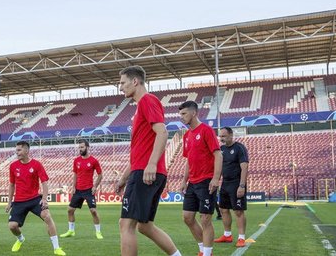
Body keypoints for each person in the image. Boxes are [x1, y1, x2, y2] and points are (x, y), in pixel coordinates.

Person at [115, 66, 181, 256]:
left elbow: (163, 132)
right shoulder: (140, 108)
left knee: (126, 224)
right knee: (144, 226)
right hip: (143, 170)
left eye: (122, 83)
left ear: (135, 81)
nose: (120, 88)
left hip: (146, 171)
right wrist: (123, 178)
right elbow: (138, 154)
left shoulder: (147, 100)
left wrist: (151, 163)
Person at [178, 101, 223, 256]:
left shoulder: (206, 130)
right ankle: (203, 249)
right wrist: (184, 181)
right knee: (187, 217)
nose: (181, 117)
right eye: (180, 114)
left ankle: (207, 253)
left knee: (205, 219)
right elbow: (188, 160)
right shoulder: (186, 136)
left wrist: (216, 178)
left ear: (194, 113)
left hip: (206, 180)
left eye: (184, 114)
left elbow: (218, 154)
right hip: (192, 182)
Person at [6, 141, 66, 256]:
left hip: (34, 199)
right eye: (16, 150)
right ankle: (20, 239)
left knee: (47, 216)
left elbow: (44, 182)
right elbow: (12, 185)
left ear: (26, 150)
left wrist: (44, 199)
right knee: (12, 226)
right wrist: (9, 202)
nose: (16, 152)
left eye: (19, 150)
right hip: (19, 201)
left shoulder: (36, 164)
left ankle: (56, 248)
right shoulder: (13, 166)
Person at [59, 139, 104, 239]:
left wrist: (95, 186)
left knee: (93, 211)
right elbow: (75, 174)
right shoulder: (76, 160)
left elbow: (100, 175)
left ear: (87, 147)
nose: (80, 149)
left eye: (82, 147)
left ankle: (98, 232)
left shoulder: (94, 161)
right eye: (79, 147)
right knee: (70, 210)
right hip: (78, 190)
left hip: (89, 190)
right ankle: (71, 231)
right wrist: (73, 187)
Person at [213, 127, 249, 248]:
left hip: (236, 183)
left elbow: (244, 167)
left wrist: (242, 186)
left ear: (231, 135)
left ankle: (241, 238)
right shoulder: (221, 149)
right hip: (225, 183)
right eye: (220, 136)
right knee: (223, 209)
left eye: (224, 136)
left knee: (238, 211)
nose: (221, 138)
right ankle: (227, 235)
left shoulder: (239, 148)